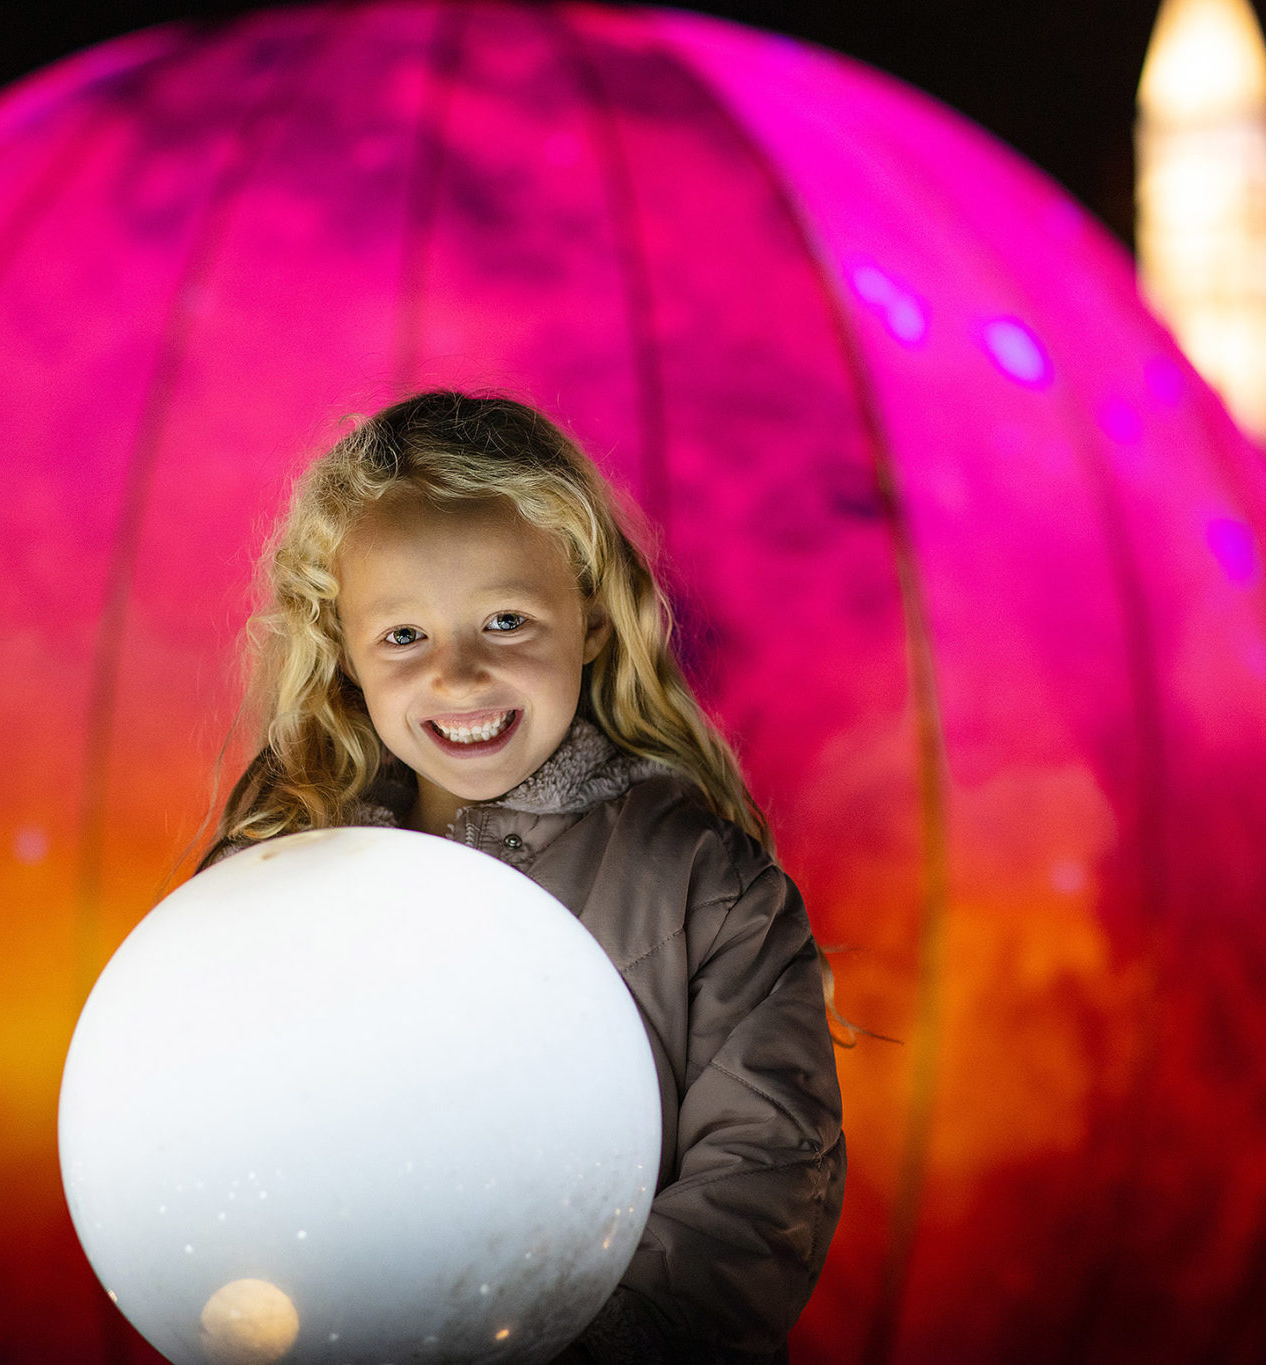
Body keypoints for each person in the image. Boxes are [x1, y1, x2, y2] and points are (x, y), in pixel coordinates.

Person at [198, 390, 846, 1363]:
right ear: (343, 655)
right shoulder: (276, 878)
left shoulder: (700, 887)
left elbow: (760, 1180)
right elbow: (206, 1122)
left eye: (505, 620)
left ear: (587, 618)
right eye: (404, 636)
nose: (457, 676)